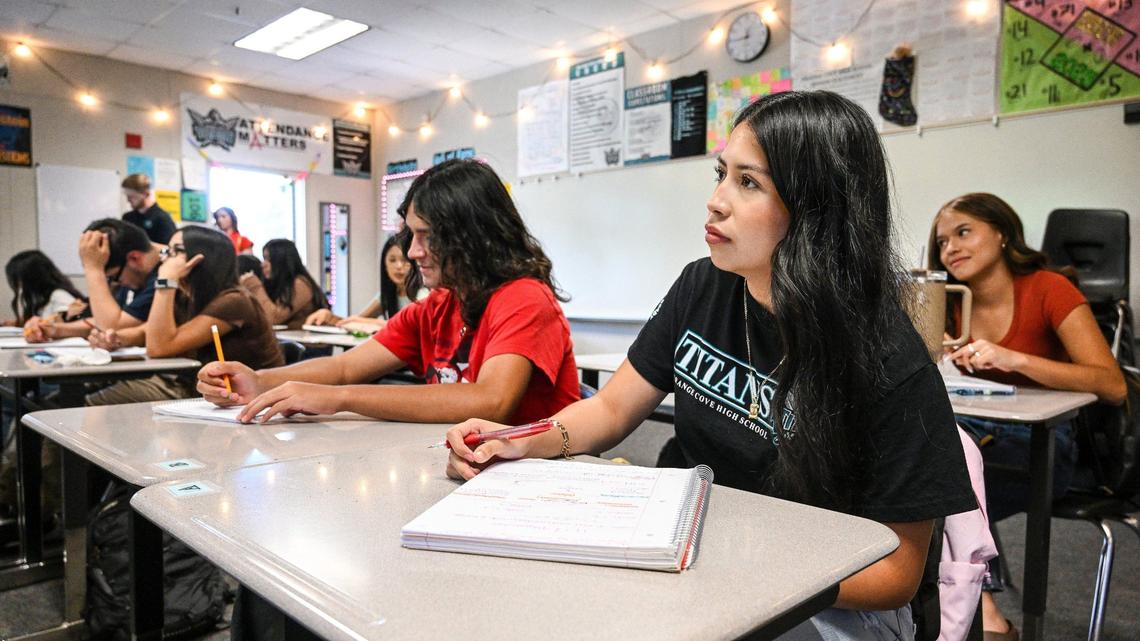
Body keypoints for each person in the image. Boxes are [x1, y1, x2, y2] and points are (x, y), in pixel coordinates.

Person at [444, 92, 976, 641]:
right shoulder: (703, 284)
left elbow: (895, 575)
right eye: (722, 174)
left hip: (824, 592)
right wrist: (522, 440)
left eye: (749, 183)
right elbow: (611, 406)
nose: (716, 201)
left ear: (816, 207)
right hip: (697, 553)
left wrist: (730, 561)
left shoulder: (889, 358)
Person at [196, 158, 580, 427]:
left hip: (539, 478)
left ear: (473, 236)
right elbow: (346, 366)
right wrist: (259, 381)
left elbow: (491, 401)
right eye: (412, 235)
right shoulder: (437, 307)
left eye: (427, 236)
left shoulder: (524, 297)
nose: (413, 252)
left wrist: (341, 398)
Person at [928, 192, 1126, 639]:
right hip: (980, 438)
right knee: (932, 458)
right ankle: (981, 607)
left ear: (1001, 234)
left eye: (963, 232)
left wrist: (1013, 360)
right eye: (941, 242)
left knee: (944, 469)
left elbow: (1111, 385)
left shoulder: (1049, 288)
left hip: (1053, 448)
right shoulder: (951, 302)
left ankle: (981, 609)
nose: (950, 249)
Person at [86, 225, 283, 404]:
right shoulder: (187, 295)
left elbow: (158, 347)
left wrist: (166, 281)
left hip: (235, 397)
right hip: (196, 387)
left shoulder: (234, 301)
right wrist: (115, 339)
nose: (166, 259)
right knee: (90, 390)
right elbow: (147, 332)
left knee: (93, 404)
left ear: (202, 258)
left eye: (176, 252)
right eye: (168, 251)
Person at [23, 219, 161, 342]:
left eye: (113, 277)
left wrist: (93, 268)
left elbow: (110, 328)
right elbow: (103, 320)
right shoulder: (133, 273)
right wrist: (54, 329)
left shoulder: (163, 277)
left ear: (134, 258)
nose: (115, 283)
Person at [305, 231, 426, 331]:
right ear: (384, 264)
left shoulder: (424, 295)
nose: (399, 266)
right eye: (392, 260)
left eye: (405, 261)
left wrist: (367, 322)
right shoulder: (386, 295)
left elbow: (409, 328)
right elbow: (356, 321)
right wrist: (329, 317)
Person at [242, 239, 327, 330]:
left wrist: (254, 285)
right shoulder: (276, 284)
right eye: (263, 259)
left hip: (306, 341)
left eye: (268, 259)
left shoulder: (301, 284)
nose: (263, 264)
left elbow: (273, 319)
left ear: (282, 261)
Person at [4, 250, 85, 325]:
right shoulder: (44, 298)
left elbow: (68, 323)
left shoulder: (59, 295)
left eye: (19, 279)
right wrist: (17, 323)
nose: (19, 285)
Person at [121, 173, 176, 245]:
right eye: (127, 196)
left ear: (145, 194)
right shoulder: (127, 218)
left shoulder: (162, 219)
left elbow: (168, 250)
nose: (128, 200)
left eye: (132, 196)